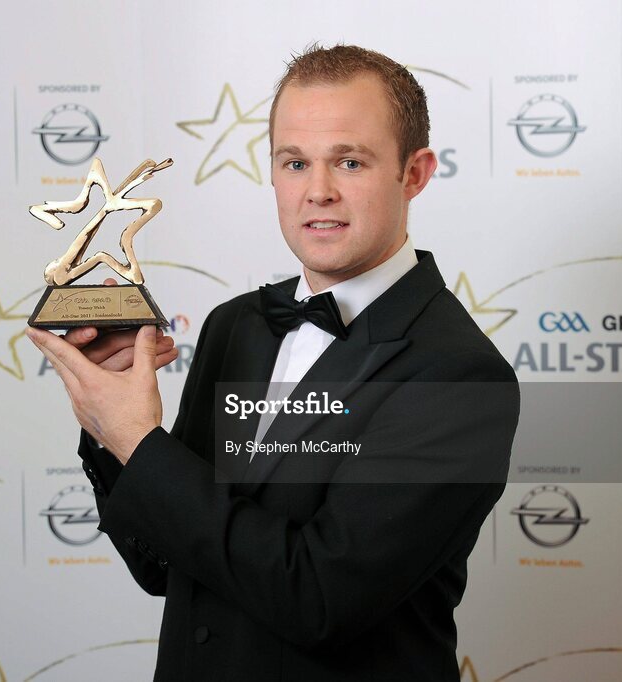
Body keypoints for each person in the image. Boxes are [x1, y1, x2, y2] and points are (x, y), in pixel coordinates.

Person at [27, 44, 520, 682]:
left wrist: (139, 441)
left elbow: (318, 599)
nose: (317, 192)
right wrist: (109, 423)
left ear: (414, 174)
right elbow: (163, 564)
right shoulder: (237, 326)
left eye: (349, 161)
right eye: (295, 162)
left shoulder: (457, 375)